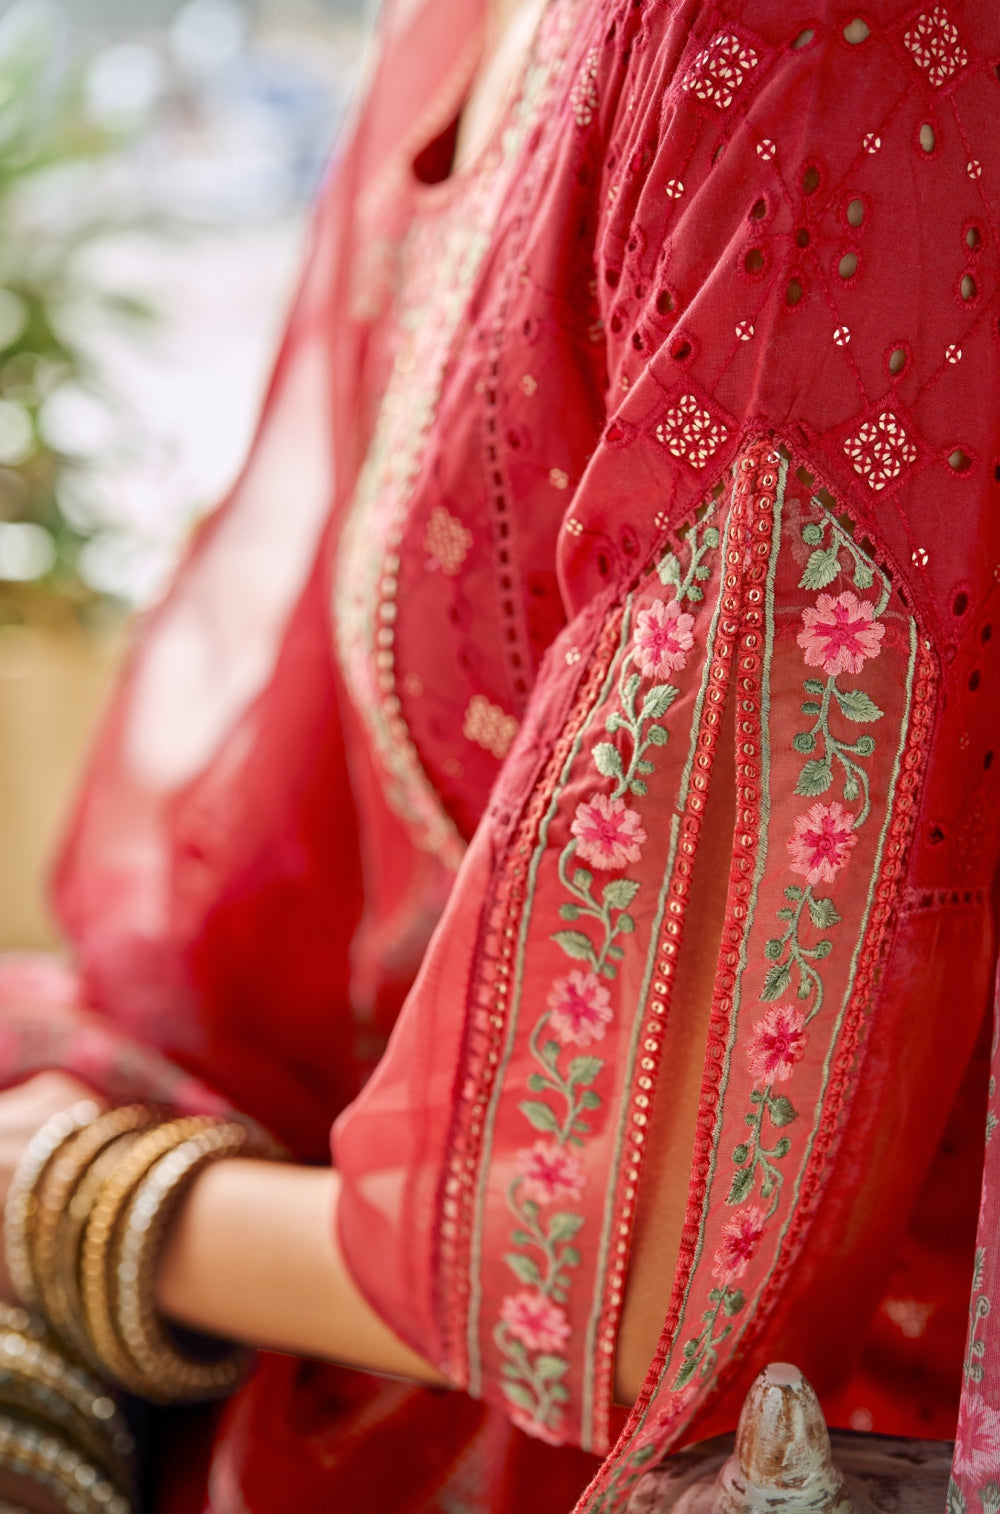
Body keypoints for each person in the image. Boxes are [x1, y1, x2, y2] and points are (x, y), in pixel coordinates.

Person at [0, 0, 998, 1509]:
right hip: (375, 1221)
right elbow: (274, 877)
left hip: (760, 1435)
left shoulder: (801, 65)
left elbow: (641, 1294)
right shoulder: (467, 26)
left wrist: (69, 1199)